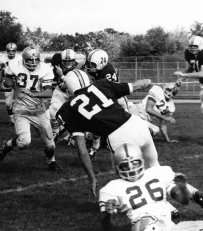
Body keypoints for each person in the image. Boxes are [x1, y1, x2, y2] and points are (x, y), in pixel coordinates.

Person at [56, 69, 157, 197]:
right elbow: (139, 85)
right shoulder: (102, 84)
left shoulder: (67, 110)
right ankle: (169, 206)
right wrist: (147, 82)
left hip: (118, 137)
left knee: (128, 179)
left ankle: (140, 204)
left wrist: (92, 178)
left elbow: (82, 151)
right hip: (137, 124)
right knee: (154, 166)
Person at [99, 143, 203, 231]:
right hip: (144, 225)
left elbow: (184, 201)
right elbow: (108, 228)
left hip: (168, 226)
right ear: (118, 168)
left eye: (135, 163)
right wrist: (108, 214)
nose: (131, 168)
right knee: (150, 226)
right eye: (125, 165)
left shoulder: (159, 172)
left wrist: (182, 188)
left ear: (142, 161)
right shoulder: (111, 188)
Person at [0, 46, 62, 172]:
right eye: (30, 60)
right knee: (24, 142)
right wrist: (3, 83)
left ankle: (51, 162)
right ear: (23, 59)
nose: (33, 63)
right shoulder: (15, 65)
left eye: (35, 60)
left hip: (39, 111)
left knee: (50, 143)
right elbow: (4, 75)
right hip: (21, 110)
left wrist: (35, 94)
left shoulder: (45, 69)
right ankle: (8, 144)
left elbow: (49, 91)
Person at [48, 49, 84, 143]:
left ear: (74, 60)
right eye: (65, 61)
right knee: (53, 110)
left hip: (75, 93)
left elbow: (78, 87)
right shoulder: (56, 67)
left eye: (70, 61)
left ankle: (73, 134)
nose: (68, 64)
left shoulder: (79, 67)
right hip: (61, 91)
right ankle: (55, 133)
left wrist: (64, 78)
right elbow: (55, 82)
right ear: (61, 61)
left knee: (77, 115)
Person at [174, 36, 203, 120]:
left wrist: (184, 75)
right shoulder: (189, 54)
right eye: (191, 46)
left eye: (195, 46)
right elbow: (193, 67)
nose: (192, 48)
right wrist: (181, 78)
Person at [0, 43, 22, 125]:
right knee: (8, 103)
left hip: (19, 79)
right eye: (9, 51)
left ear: (16, 51)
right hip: (8, 79)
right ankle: (12, 119)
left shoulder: (20, 58)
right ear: (6, 51)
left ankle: (20, 119)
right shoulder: (2, 58)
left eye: (13, 51)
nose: (11, 53)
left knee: (21, 100)